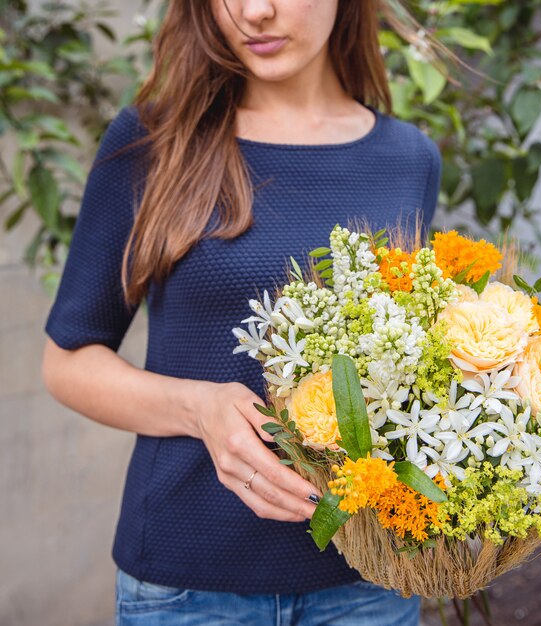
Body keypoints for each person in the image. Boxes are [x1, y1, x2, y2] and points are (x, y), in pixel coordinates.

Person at [42, 0, 442, 624]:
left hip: (370, 578)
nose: (255, 11)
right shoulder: (153, 141)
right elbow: (68, 363)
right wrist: (198, 409)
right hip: (187, 587)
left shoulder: (410, 158)